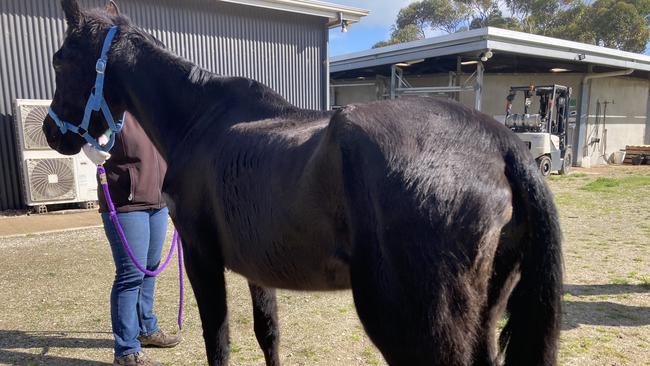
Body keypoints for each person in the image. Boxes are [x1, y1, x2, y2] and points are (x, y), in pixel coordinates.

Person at [83, 112, 181, 366]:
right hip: (127, 204)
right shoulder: (113, 112)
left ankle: (146, 328)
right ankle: (126, 350)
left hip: (158, 201)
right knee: (130, 275)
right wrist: (89, 146)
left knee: (149, 269)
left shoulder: (152, 109)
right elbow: (87, 133)